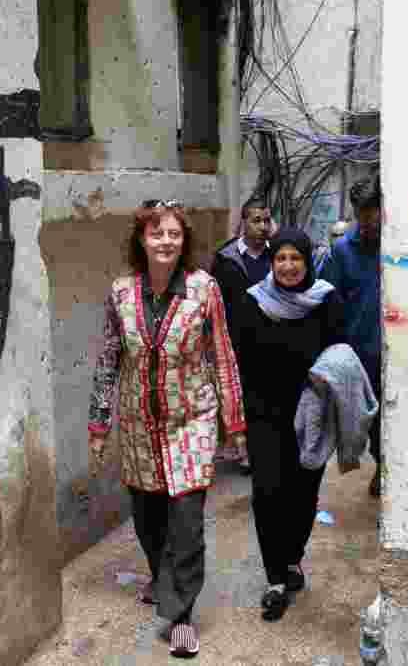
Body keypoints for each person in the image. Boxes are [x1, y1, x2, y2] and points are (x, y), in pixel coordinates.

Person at [88, 199, 246, 659]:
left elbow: (221, 354)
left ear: (185, 240)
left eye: (174, 234)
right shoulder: (121, 293)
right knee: (148, 519)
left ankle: (180, 615)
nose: (166, 241)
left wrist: (233, 422)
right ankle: (162, 581)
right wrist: (100, 424)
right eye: (157, 233)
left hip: (191, 421)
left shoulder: (204, 289)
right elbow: (107, 361)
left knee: (187, 522)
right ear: (142, 239)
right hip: (138, 425)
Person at [231, 227, 345, 622]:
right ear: (272, 261)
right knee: (267, 492)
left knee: (302, 491)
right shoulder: (252, 302)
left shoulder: (325, 299)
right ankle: (275, 577)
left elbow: (339, 352)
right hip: (265, 414)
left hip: (311, 414)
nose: (289, 265)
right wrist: (239, 417)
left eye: (296, 258)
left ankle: (293, 558)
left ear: (307, 261)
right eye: (281, 258)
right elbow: (239, 358)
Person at [318, 178, 383, 497]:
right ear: (356, 214)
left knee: (391, 416)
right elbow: (329, 300)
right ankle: (379, 460)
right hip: (359, 353)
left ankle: (387, 467)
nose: (370, 224)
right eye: (364, 216)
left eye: (376, 215)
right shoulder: (342, 251)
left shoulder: (396, 243)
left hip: (394, 351)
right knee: (365, 417)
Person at [211, 201, 277, 475]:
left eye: (266, 221)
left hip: (273, 339)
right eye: (256, 220)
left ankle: (270, 449)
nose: (262, 227)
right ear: (243, 223)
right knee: (244, 396)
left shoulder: (279, 255)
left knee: (271, 394)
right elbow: (214, 301)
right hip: (237, 341)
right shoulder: (226, 258)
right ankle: (248, 452)